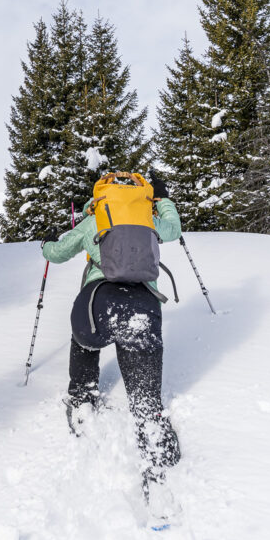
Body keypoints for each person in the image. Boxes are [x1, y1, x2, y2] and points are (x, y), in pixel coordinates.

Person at [40, 171, 182, 489]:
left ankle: (82, 397)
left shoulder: (95, 217)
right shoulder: (148, 217)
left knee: (85, 338)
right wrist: (163, 199)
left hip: (100, 302)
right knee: (141, 360)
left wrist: (47, 243)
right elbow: (174, 230)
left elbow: (58, 253)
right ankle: (150, 423)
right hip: (145, 303)